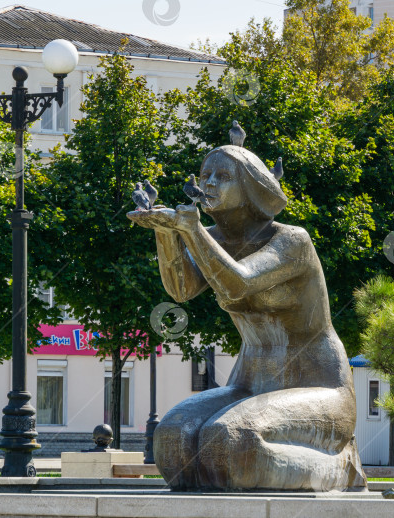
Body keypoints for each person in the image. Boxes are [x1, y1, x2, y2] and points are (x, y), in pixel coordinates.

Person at [128, 144, 365, 491]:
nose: (208, 183)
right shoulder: (210, 239)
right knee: (172, 441)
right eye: (205, 175)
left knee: (230, 440)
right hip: (250, 385)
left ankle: (340, 465)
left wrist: (190, 232)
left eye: (223, 176)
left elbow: (238, 284)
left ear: (251, 187)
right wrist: (165, 232)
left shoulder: (291, 241)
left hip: (318, 386)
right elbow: (181, 289)